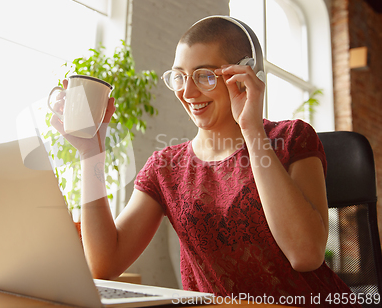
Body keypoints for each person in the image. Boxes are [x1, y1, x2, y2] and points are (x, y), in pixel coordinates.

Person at [51, 16, 360, 307]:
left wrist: (251, 130)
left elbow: (305, 254)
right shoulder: (166, 168)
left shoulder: (291, 139)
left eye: (205, 76)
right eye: (179, 77)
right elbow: (103, 264)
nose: (187, 92)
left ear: (244, 75)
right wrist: (91, 154)